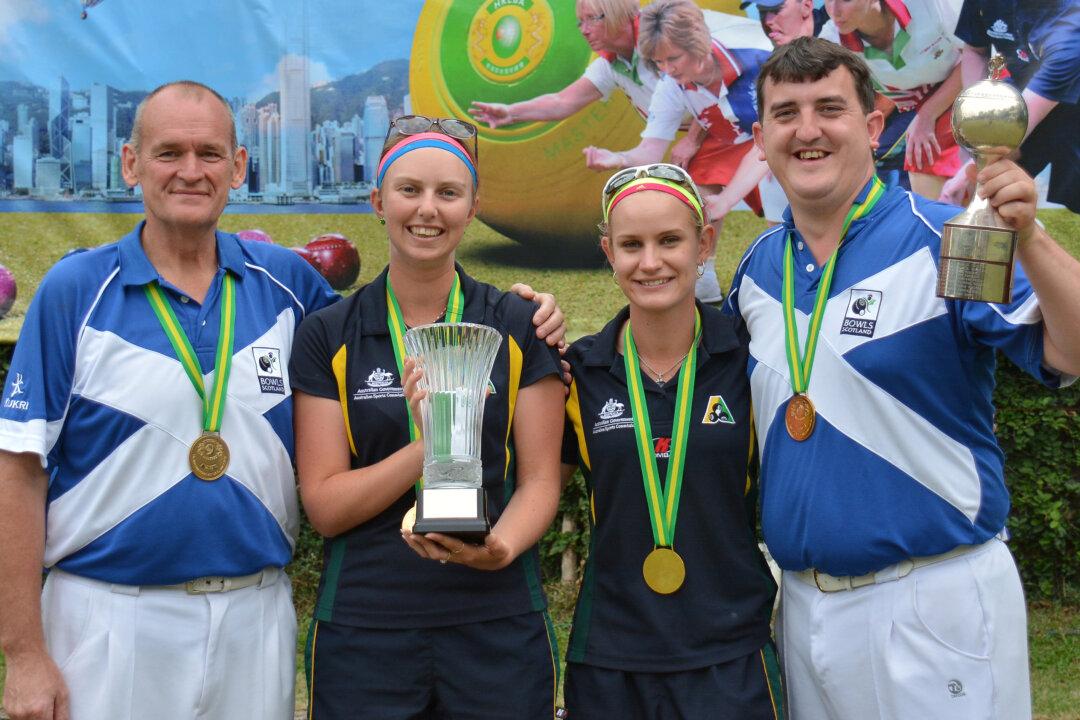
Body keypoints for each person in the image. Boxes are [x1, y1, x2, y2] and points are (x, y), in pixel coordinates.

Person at [728, 37, 1080, 719]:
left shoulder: (954, 237)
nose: (807, 130)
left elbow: (1071, 355)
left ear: (874, 122)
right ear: (759, 136)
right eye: (786, 113)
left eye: (830, 108)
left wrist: (1030, 236)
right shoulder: (757, 271)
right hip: (801, 604)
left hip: (932, 598)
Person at [0, 81, 341, 720]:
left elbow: (391, 343)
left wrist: (523, 315)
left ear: (239, 167)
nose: (191, 171)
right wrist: (22, 653)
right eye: (168, 153)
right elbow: (18, 474)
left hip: (255, 613)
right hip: (106, 617)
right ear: (131, 164)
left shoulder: (290, 285)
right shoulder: (75, 291)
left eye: (210, 153)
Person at [290, 116, 566, 719]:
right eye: (409, 189)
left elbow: (544, 479)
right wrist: (434, 438)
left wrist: (500, 547)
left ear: (472, 207)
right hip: (367, 626)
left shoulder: (518, 325)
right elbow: (327, 506)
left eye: (448, 193)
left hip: (496, 617)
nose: (428, 209)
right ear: (378, 201)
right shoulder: (328, 335)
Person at [560, 163, 782, 718]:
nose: (651, 261)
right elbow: (535, 489)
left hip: (730, 651)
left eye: (670, 241)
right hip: (610, 655)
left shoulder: (753, 359)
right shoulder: (580, 372)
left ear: (703, 243)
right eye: (631, 244)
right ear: (609, 252)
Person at [583, 0, 774, 305]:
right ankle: (704, 277)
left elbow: (773, 139)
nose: (667, 70)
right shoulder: (672, 84)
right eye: (658, 63)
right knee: (696, 188)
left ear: (698, 45)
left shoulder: (760, 57)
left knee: (784, 203)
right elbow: (651, 149)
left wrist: (728, 199)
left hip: (781, 142)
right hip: (735, 136)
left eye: (673, 58)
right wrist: (617, 158)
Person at [940, 0, 1080, 213]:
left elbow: (1021, 120)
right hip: (1026, 93)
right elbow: (975, 50)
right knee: (993, 188)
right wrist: (973, 115)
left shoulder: (1072, 24)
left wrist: (964, 175)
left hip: (1064, 107)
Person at [819, 0, 966, 199]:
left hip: (983, 76)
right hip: (920, 103)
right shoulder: (832, 40)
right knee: (920, 156)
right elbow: (812, 95)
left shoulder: (931, 5)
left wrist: (927, 115)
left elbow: (979, 57)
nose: (834, 11)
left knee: (929, 156)